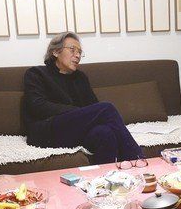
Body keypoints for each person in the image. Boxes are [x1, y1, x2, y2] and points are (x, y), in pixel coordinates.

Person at [24, 32, 143, 165]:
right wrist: (78, 113)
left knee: (105, 133)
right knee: (106, 108)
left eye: (80, 52)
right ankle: (138, 160)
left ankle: (107, 177)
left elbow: (93, 107)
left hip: (74, 131)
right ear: (56, 52)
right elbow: (37, 106)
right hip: (47, 132)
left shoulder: (80, 78)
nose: (77, 55)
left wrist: (81, 115)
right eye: (72, 50)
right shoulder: (36, 74)